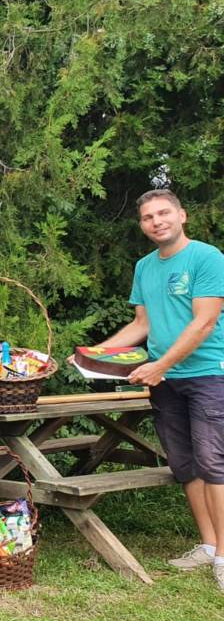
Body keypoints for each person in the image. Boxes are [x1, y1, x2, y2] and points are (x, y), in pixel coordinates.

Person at [83, 189, 224, 593]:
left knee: (214, 462)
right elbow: (140, 325)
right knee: (185, 464)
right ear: (142, 225)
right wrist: (94, 356)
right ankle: (208, 543)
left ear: (182, 216)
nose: (156, 221)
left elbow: (205, 323)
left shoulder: (207, 258)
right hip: (165, 381)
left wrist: (160, 365)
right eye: (148, 217)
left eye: (164, 213)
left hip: (208, 373)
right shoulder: (145, 266)